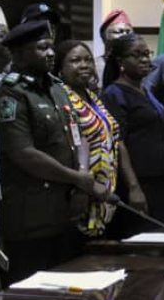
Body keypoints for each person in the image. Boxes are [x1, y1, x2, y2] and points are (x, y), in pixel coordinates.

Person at [0, 21, 104, 281]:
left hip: (65, 214)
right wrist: (76, 178)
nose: (51, 54)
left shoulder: (56, 88)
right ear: (18, 54)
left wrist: (83, 177)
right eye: (42, 48)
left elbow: (79, 136)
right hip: (30, 219)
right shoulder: (9, 94)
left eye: (51, 47)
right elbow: (23, 154)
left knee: (65, 290)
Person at [54, 40, 146, 237]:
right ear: (60, 68)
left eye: (88, 60)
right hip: (81, 192)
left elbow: (114, 137)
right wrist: (81, 188)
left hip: (104, 195)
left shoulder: (92, 96)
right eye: (75, 60)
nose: (84, 65)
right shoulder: (61, 97)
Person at [103, 34, 164, 225]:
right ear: (121, 62)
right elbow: (118, 142)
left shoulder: (146, 90)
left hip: (163, 180)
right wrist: (134, 187)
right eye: (136, 55)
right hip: (140, 183)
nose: (144, 59)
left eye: (146, 54)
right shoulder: (114, 94)